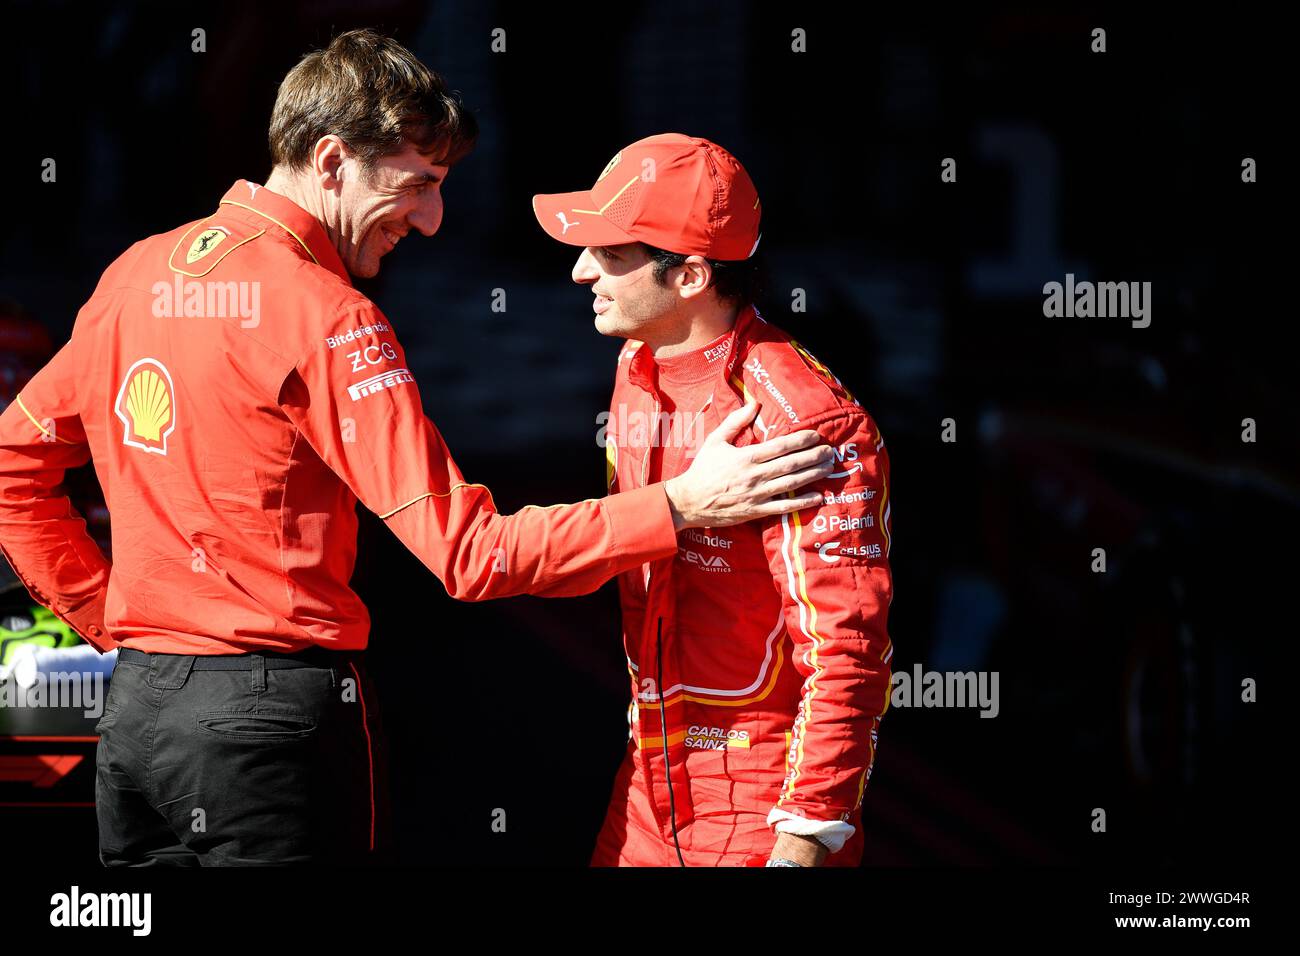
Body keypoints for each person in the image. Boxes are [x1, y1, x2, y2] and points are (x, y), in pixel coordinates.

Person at [0, 35, 835, 866]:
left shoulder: (136, 272)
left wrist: (116, 623)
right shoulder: (330, 316)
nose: (432, 220)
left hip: (139, 716)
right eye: (420, 184)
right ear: (331, 160)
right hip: (267, 729)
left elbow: (12, 466)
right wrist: (683, 504)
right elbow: (472, 556)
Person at [532, 133, 894, 866]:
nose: (579, 273)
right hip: (644, 788)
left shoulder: (806, 421)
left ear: (692, 274)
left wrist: (802, 843)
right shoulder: (638, 364)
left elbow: (847, 650)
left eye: (611, 254)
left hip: (757, 803)